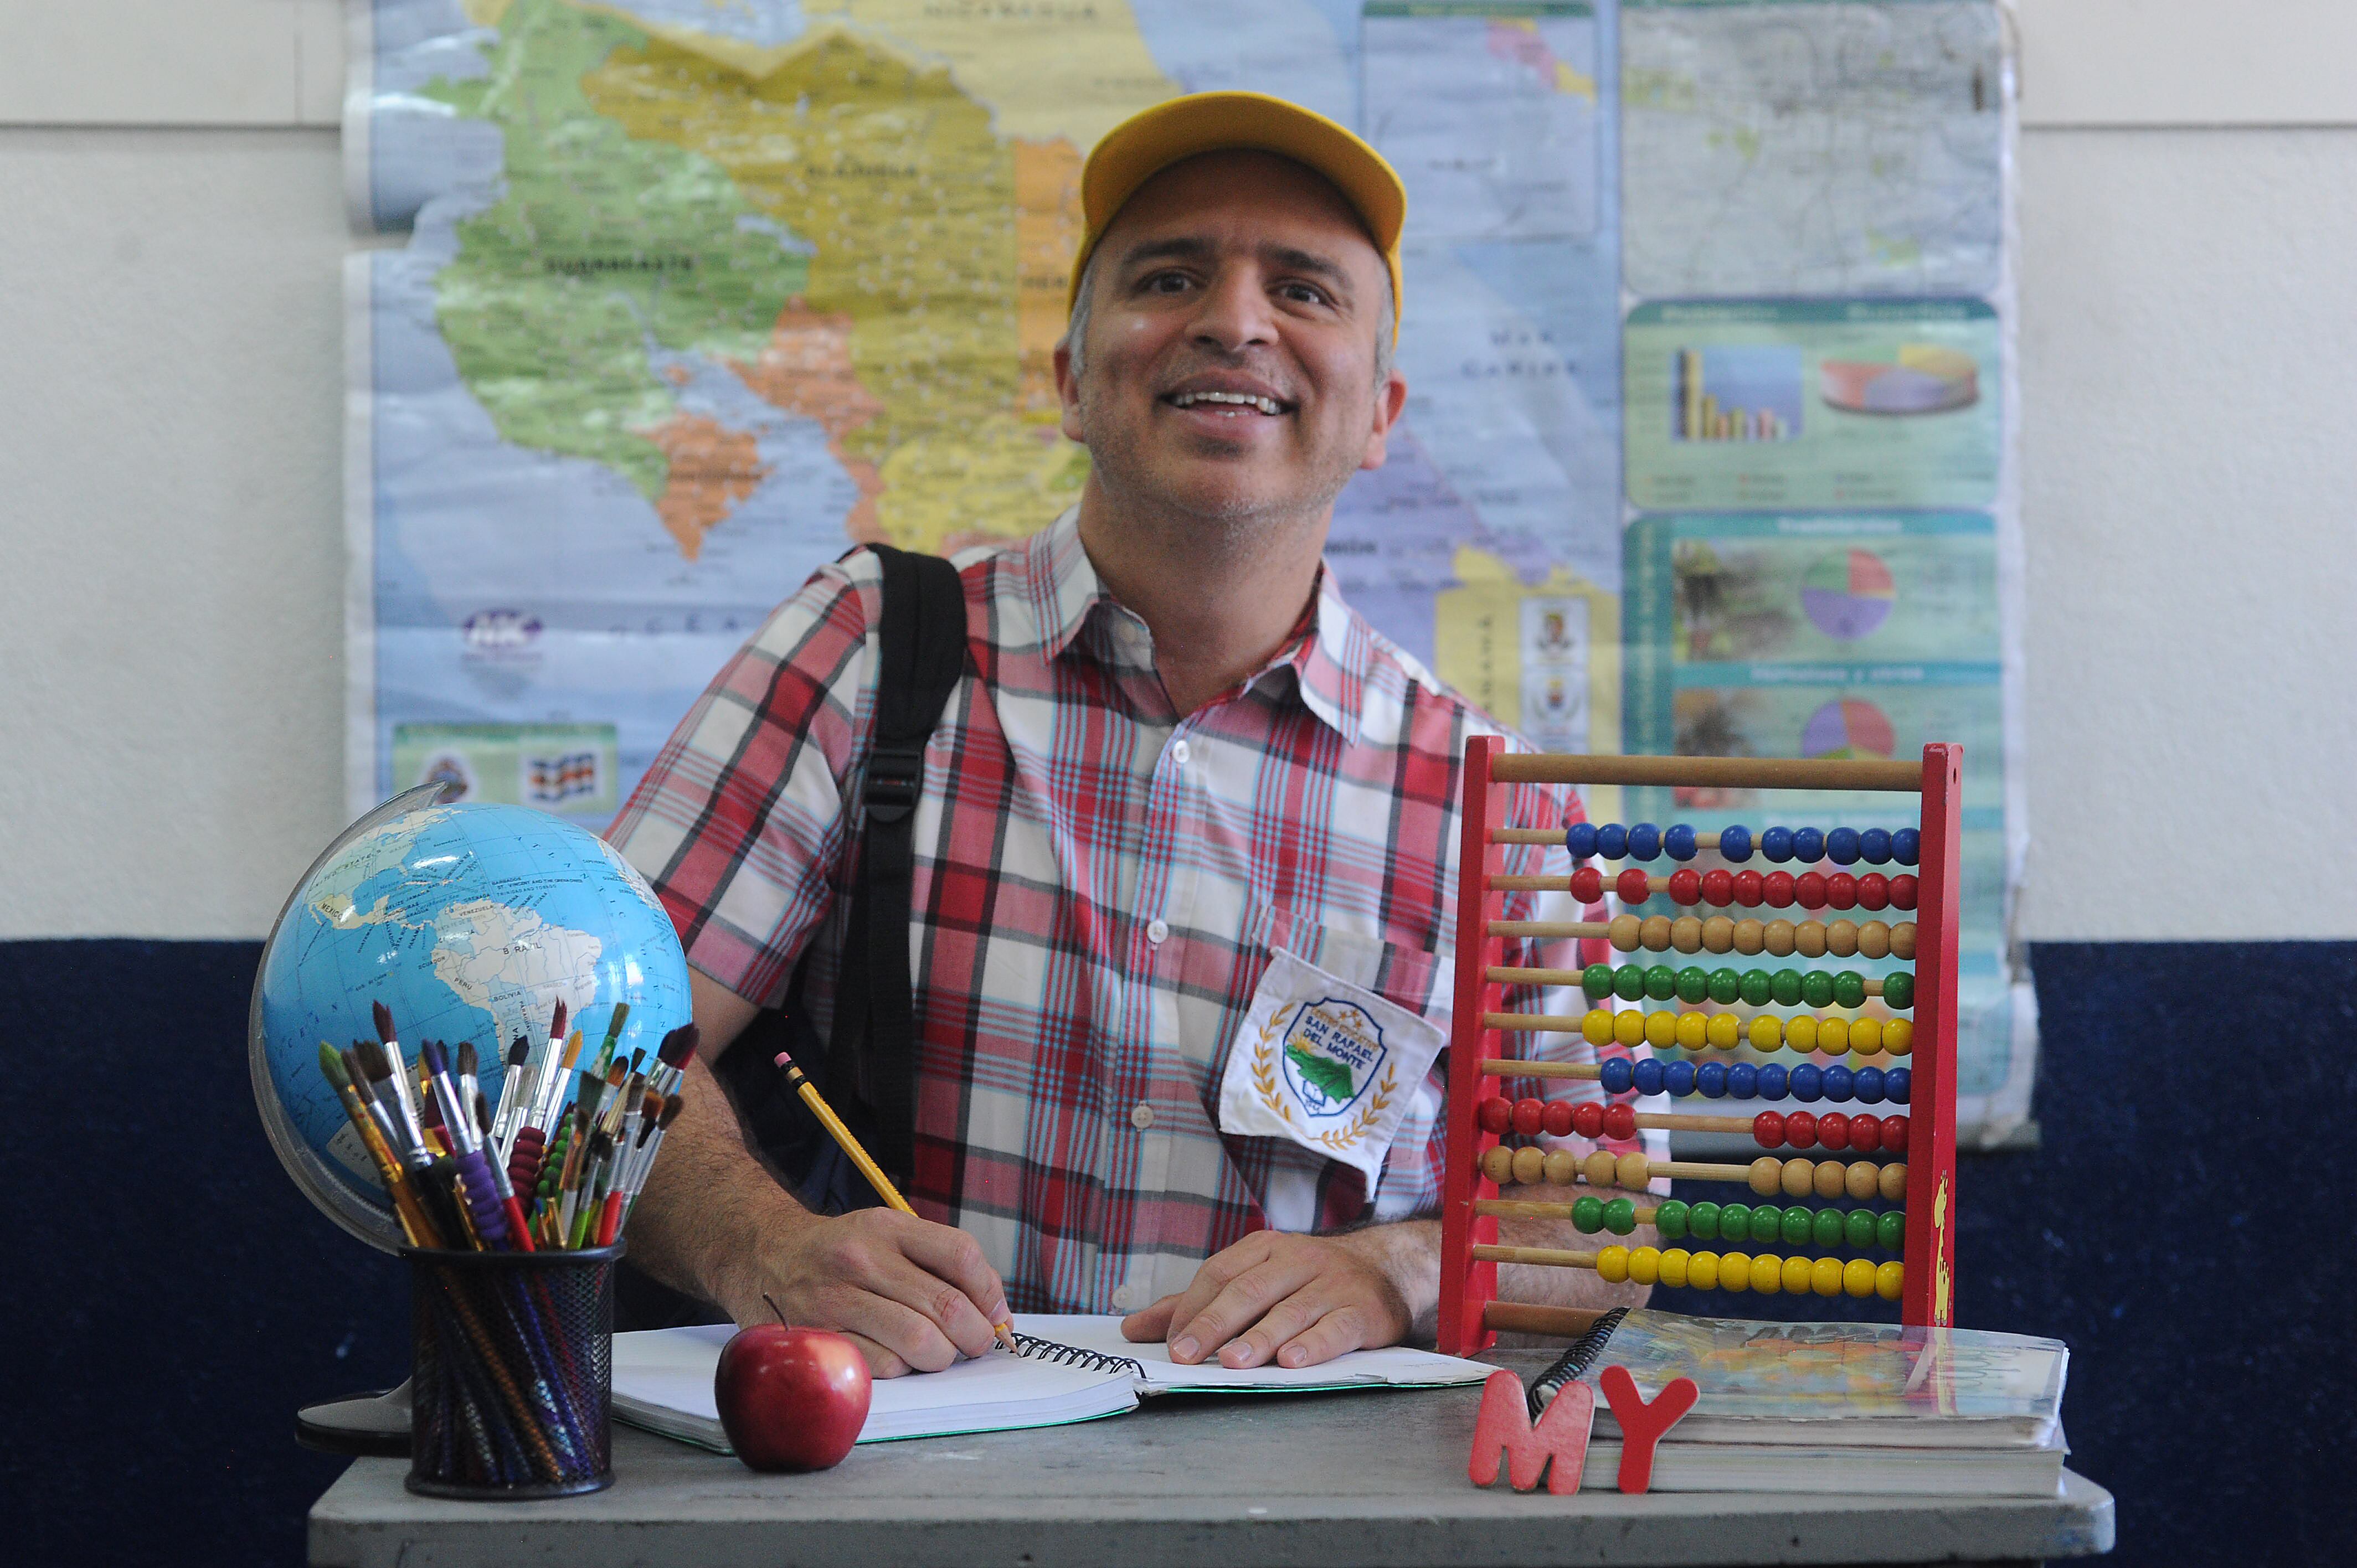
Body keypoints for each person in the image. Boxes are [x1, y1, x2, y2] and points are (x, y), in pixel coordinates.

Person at [605, 91, 1657, 1379]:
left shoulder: (1494, 799)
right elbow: (588, 1035)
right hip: (914, 1492)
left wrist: (1398, 1271)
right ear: (1068, 385)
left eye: (1305, 291)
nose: (1233, 320)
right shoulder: (871, 651)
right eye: (1170, 276)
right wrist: (760, 1243)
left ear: (1380, 416)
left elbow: (1613, 1211)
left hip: (1319, 1507)